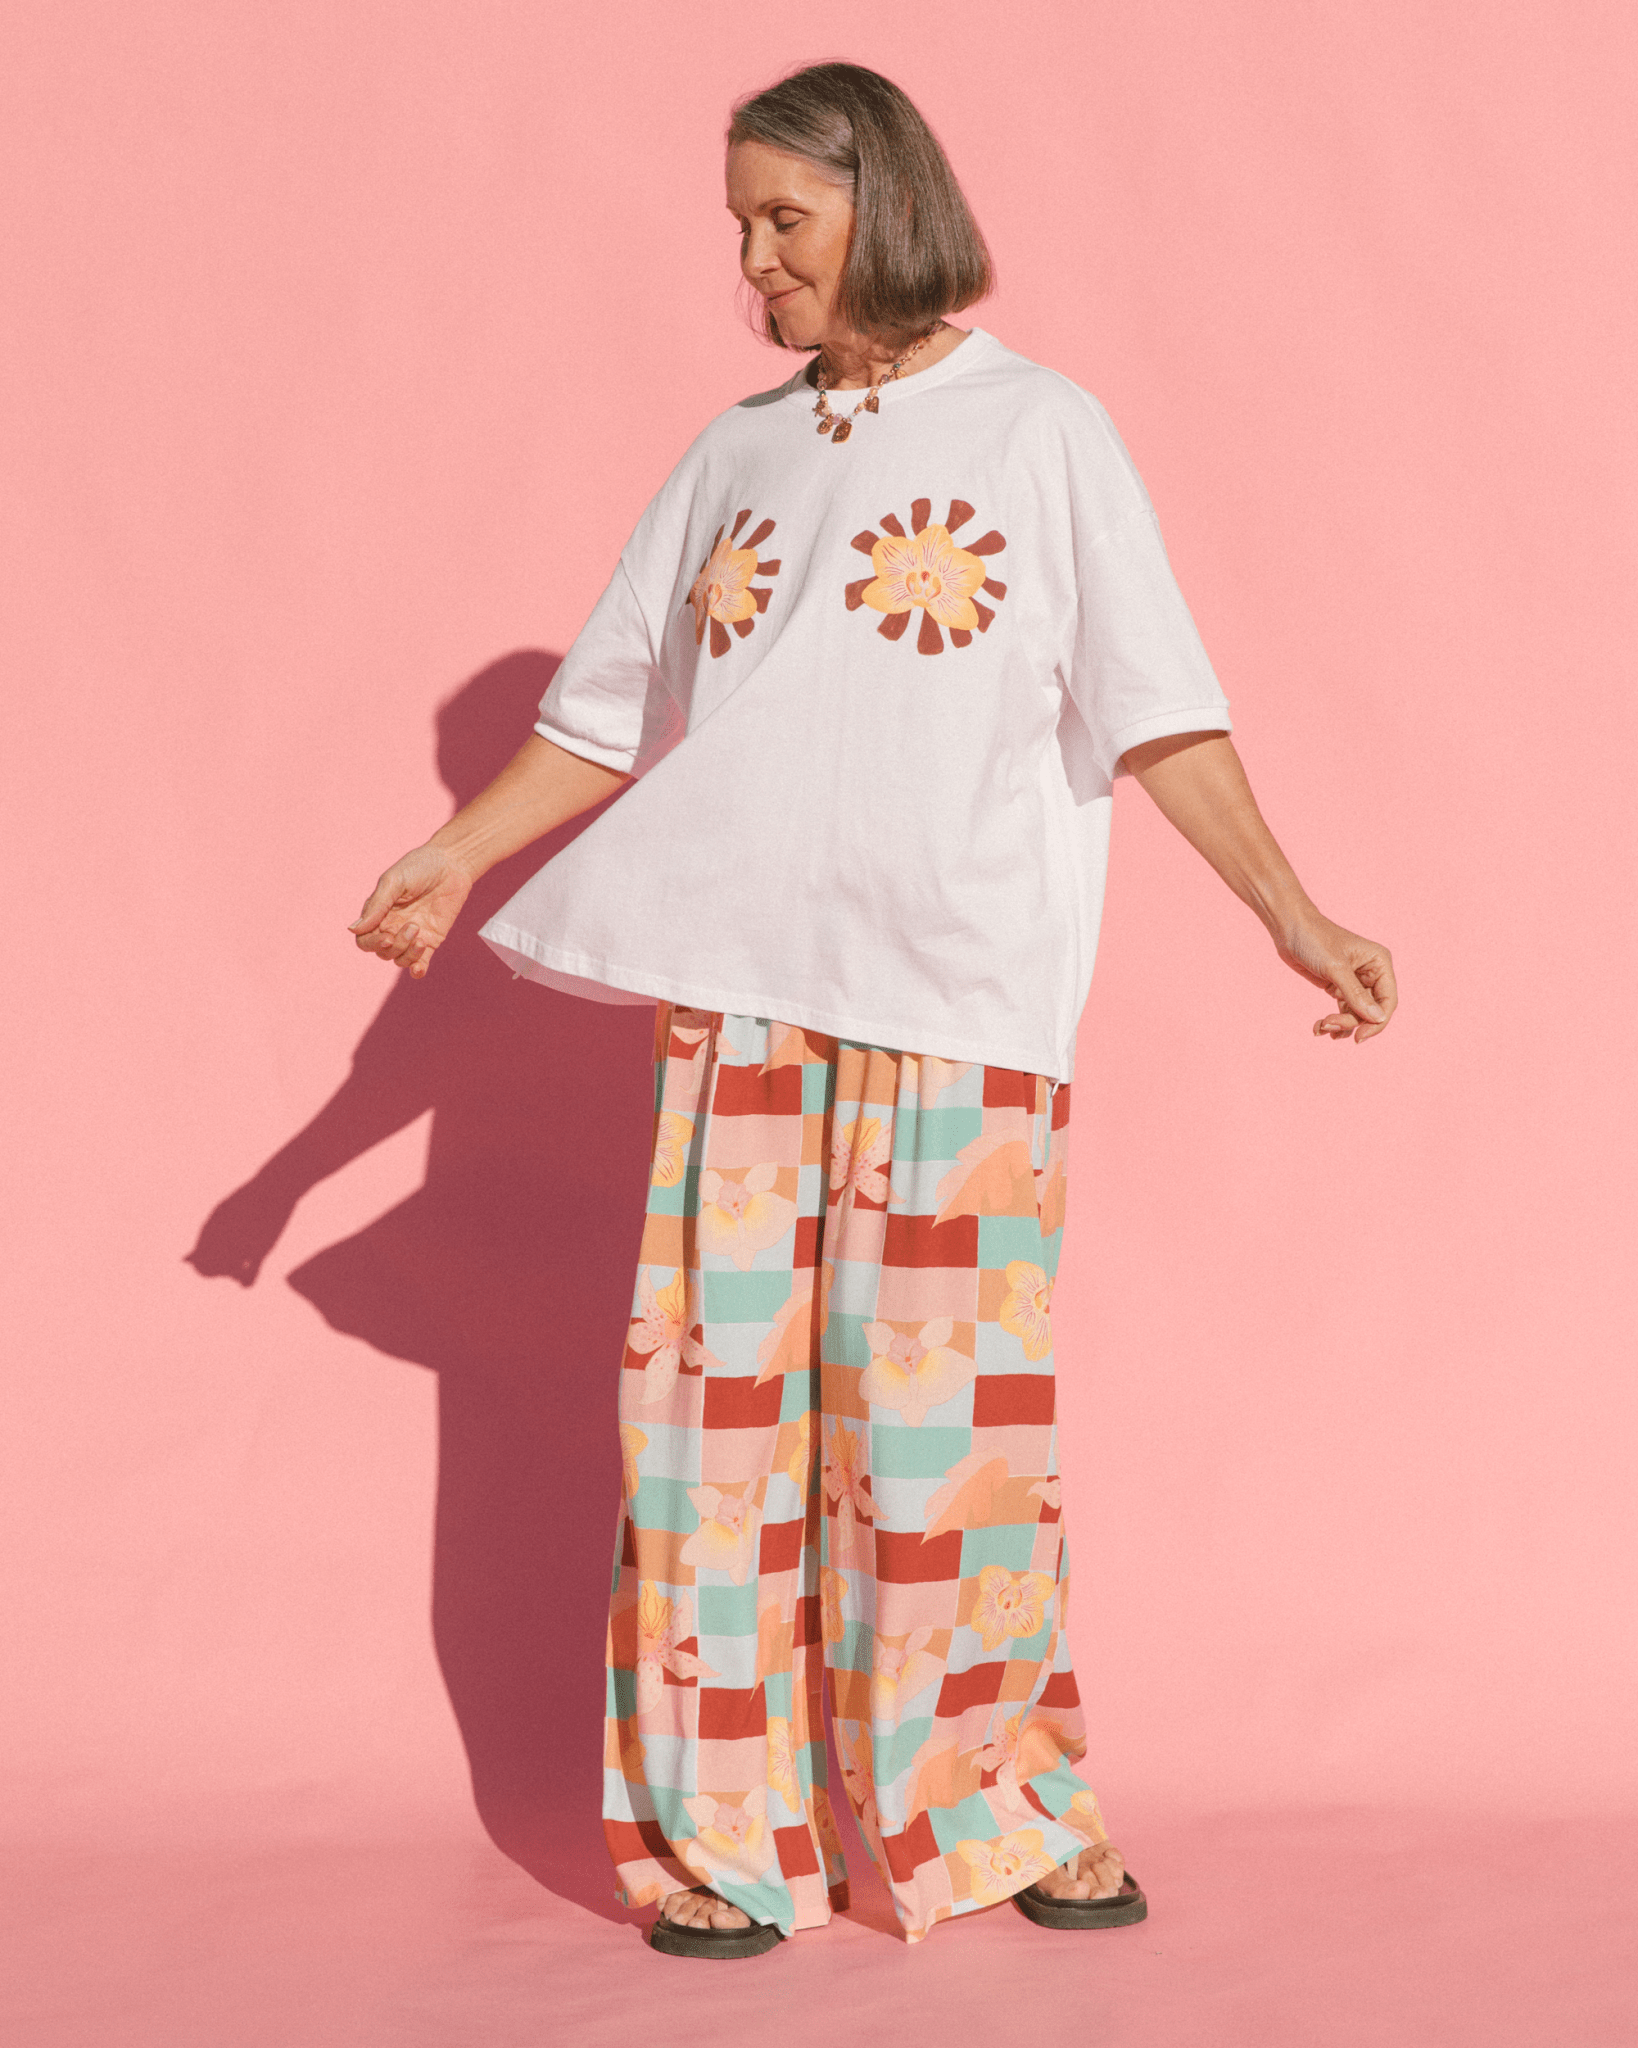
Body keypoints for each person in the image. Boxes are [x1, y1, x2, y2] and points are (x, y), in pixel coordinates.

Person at [350, 62, 1397, 1958]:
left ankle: (992, 1812)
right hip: (742, 1015)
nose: (753, 267)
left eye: (784, 223)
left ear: (883, 201)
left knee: (946, 1448)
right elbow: (599, 715)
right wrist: (450, 851)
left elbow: (1154, 704)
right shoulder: (730, 454)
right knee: (709, 1445)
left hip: (959, 1015)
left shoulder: (1041, 433)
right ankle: (722, 1844)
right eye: (738, 230)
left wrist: (1290, 915)